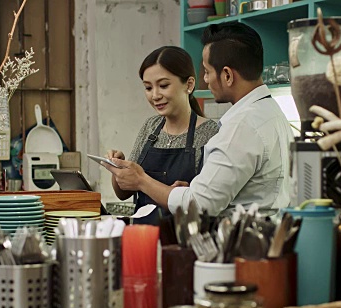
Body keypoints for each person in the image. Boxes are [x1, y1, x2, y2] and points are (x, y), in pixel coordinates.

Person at [104, 22, 294, 216]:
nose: (206, 79)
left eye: (207, 71)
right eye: (148, 87)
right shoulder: (271, 113)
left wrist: (143, 181)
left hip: (237, 237)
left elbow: (200, 204)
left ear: (227, 75)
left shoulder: (241, 127)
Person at [107, 46, 219, 224]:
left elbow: (210, 200)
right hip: (142, 236)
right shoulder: (150, 127)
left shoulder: (210, 132)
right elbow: (123, 194)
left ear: (189, 85)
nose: (155, 95)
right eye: (148, 88)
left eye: (163, 85)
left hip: (183, 240)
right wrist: (118, 170)